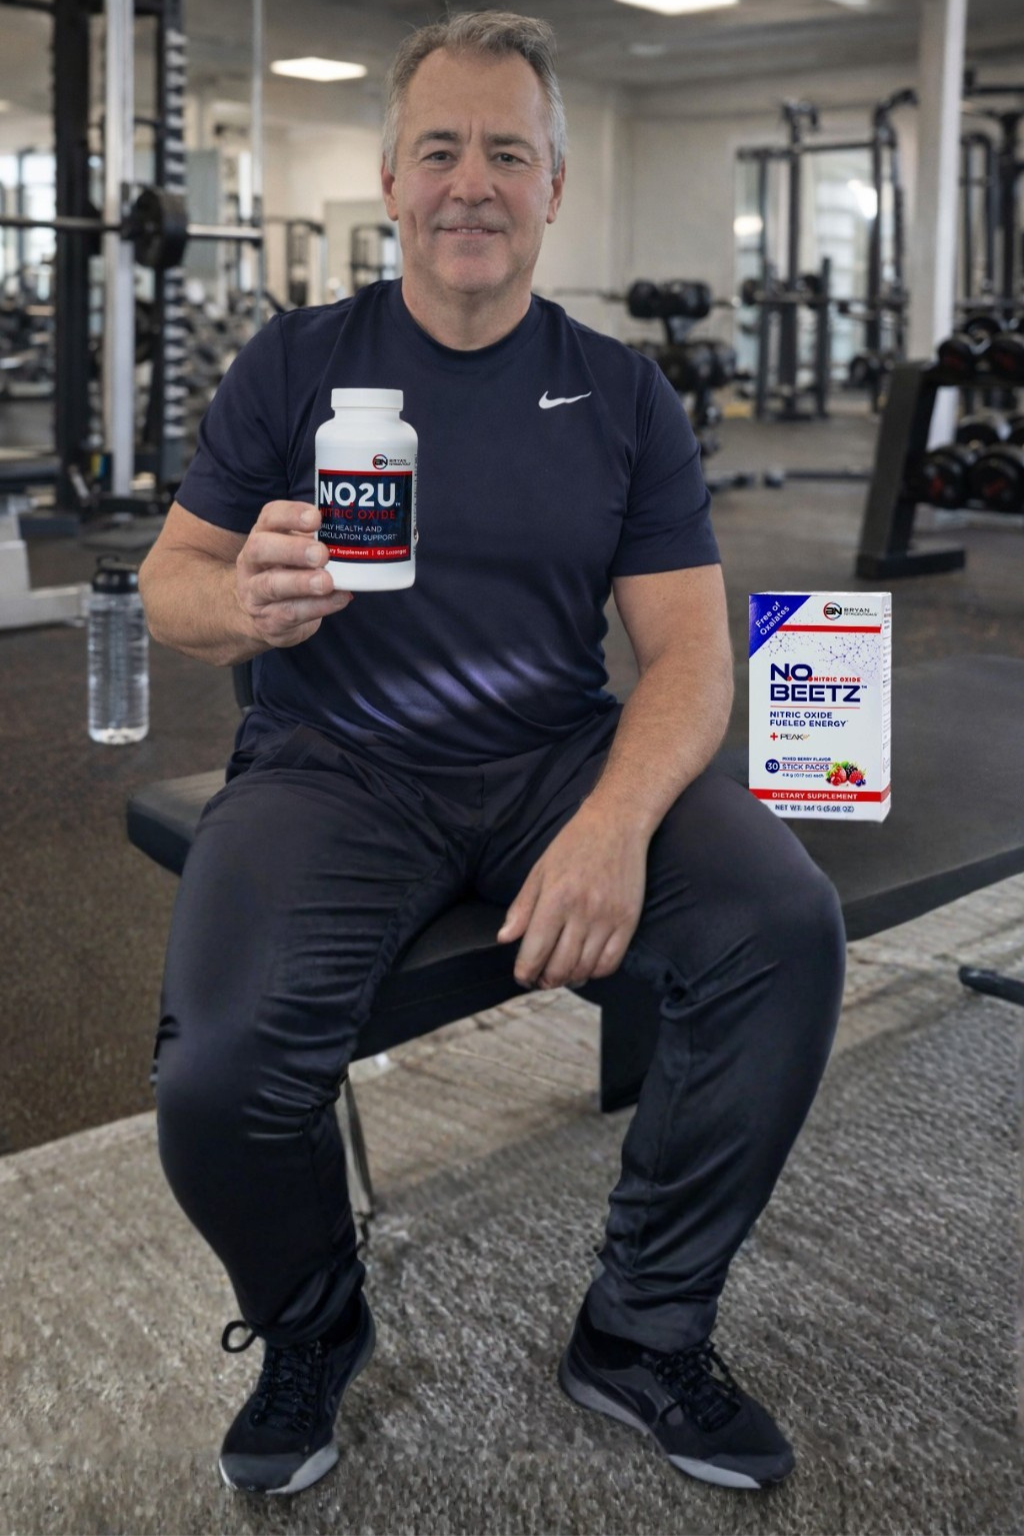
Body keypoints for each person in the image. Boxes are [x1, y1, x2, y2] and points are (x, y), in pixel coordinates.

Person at [139, 10, 845, 1500]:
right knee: (217, 1081)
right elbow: (169, 583)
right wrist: (239, 601)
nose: (473, 182)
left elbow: (690, 654)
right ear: (392, 180)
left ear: (554, 188)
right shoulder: (296, 363)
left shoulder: (624, 392)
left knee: (783, 929)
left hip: (551, 760)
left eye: (508, 154)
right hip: (332, 766)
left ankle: (642, 1329)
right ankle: (313, 1326)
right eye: (442, 150)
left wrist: (614, 823)